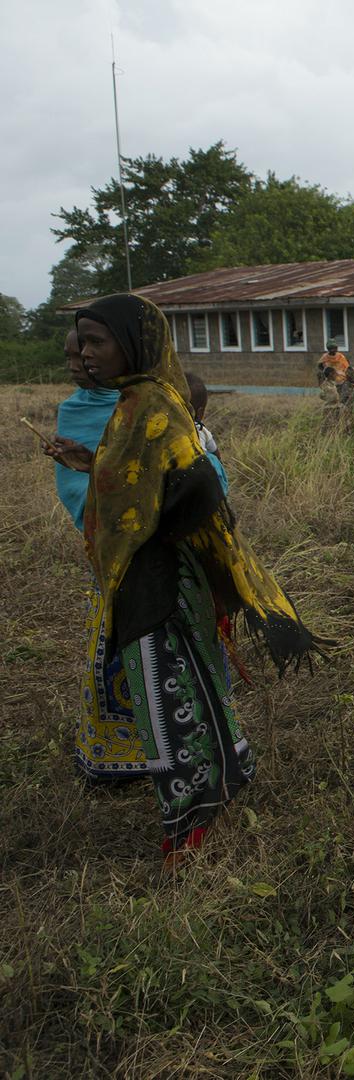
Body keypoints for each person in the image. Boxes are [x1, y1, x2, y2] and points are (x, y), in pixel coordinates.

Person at [43, 293, 321, 864]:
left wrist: (147, 519)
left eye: (98, 342)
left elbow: (195, 488)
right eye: (84, 343)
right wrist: (92, 467)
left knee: (166, 695)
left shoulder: (151, 405)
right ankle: (221, 776)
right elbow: (140, 480)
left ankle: (192, 816)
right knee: (177, 686)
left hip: (163, 576)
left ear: (135, 343)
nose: (87, 355)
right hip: (152, 572)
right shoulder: (134, 402)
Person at [48, 328, 143, 783]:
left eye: (87, 351)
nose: (76, 362)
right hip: (110, 553)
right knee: (115, 648)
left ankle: (177, 747)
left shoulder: (151, 403)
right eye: (70, 354)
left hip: (162, 551)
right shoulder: (73, 412)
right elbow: (75, 490)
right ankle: (115, 754)